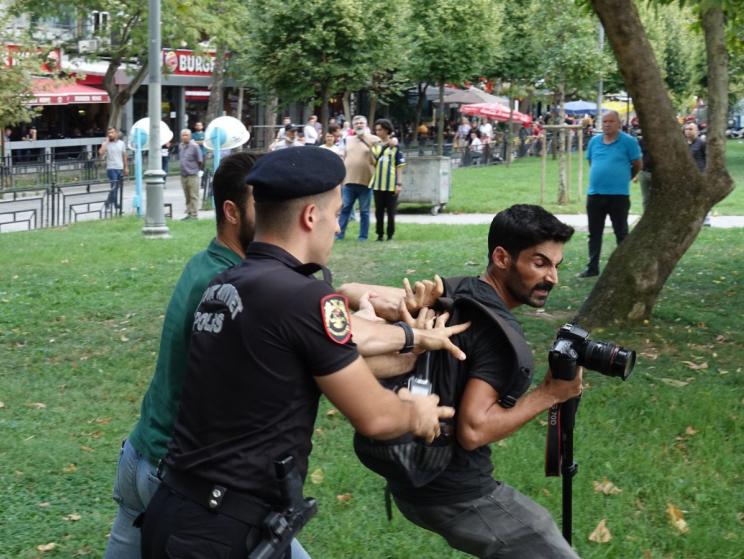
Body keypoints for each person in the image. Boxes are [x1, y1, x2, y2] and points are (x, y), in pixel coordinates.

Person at [140, 147, 465, 558]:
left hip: (176, 511)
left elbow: (307, 366)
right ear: (311, 217)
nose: (338, 226)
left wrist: (408, 340)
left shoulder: (226, 283)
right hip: (220, 534)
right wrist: (414, 411)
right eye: (336, 212)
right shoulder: (304, 299)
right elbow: (376, 417)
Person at [339, 204, 582, 558]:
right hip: (456, 493)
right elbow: (473, 430)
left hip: (407, 478)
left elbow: (348, 289)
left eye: (556, 266)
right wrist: (549, 394)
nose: (552, 278)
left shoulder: (454, 291)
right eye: (540, 263)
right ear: (502, 257)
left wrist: (402, 306)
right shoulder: (501, 338)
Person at [103, 153, 262, 558]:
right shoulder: (233, 284)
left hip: (140, 457)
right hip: (177, 479)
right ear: (231, 211)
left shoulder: (205, 264)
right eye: (265, 206)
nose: (278, 217)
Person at [577, 110, 642, 278]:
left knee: (621, 232)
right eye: (605, 121)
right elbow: (592, 163)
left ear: (619, 124)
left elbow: (637, 164)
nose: (607, 124)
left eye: (611, 121)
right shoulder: (594, 142)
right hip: (595, 194)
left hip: (618, 196)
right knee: (594, 233)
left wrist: (626, 177)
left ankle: (624, 267)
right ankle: (592, 267)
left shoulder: (629, 142)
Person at [337, 115, 379, 241]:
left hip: (366, 182)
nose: (359, 125)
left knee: (365, 212)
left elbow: (378, 157)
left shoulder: (374, 139)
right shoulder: (347, 140)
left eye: (361, 123)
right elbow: (343, 157)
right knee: (345, 209)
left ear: (365, 125)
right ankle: (339, 235)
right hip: (349, 181)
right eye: (357, 123)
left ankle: (363, 237)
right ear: (353, 126)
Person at [370, 118, 405, 242]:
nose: (377, 132)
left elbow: (399, 166)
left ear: (386, 130)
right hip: (378, 184)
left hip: (391, 184)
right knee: (378, 211)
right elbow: (372, 162)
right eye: (376, 130)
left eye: (380, 129)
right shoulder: (375, 146)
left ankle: (390, 234)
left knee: (391, 211)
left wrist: (399, 183)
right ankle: (379, 234)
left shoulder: (396, 147)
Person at [684, 121, 710, 226]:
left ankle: (706, 220)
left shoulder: (702, 143)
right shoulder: (683, 143)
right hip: (687, 176)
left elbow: (707, 159)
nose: (688, 131)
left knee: (701, 198)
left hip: (699, 174)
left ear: (697, 131)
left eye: (691, 129)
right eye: (686, 129)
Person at [99, 127, 128, 212]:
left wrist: (125, 167)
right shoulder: (106, 143)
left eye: (112, 132)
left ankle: (111, 203)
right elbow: (100, 152)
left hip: (120, 167)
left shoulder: (121, 143)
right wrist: (107, 141)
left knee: (117, 187)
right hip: (111, 168)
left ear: (116, 133)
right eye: (109, 133)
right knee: (114, 187)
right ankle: (112, 204)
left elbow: (124, 155)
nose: (110, 134)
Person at [177, 128, 204, 220]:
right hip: (183, 174)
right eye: (183, 135)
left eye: (186, 135)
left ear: (190, 136)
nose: (184, 137)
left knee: (193, 195)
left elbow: (200, 160)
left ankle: (194, 214)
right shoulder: (181, 146)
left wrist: (195, 169)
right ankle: (189, 213)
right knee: (187, 195)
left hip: (192, 174)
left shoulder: (194, 146)